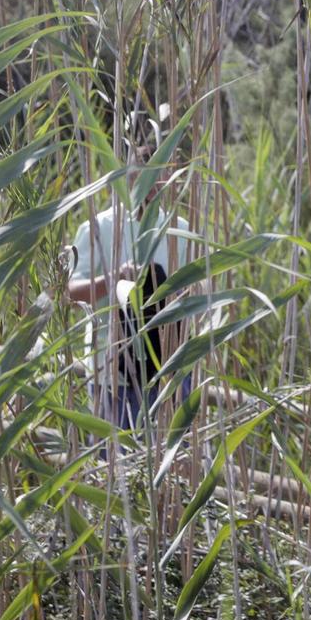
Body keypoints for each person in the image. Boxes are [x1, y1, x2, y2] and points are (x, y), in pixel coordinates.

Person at [65, 136, 195, 429]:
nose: (148, 188)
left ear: (167, 179)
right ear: (125, 180)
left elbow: (195, 298)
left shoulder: (181, 231)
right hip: (112, 372)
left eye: (156, 178)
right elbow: (68, 294)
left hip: (170, 366)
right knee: (112, 462)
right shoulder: (99, 228)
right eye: (139, 179)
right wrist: (114, 280)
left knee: (174, 460)